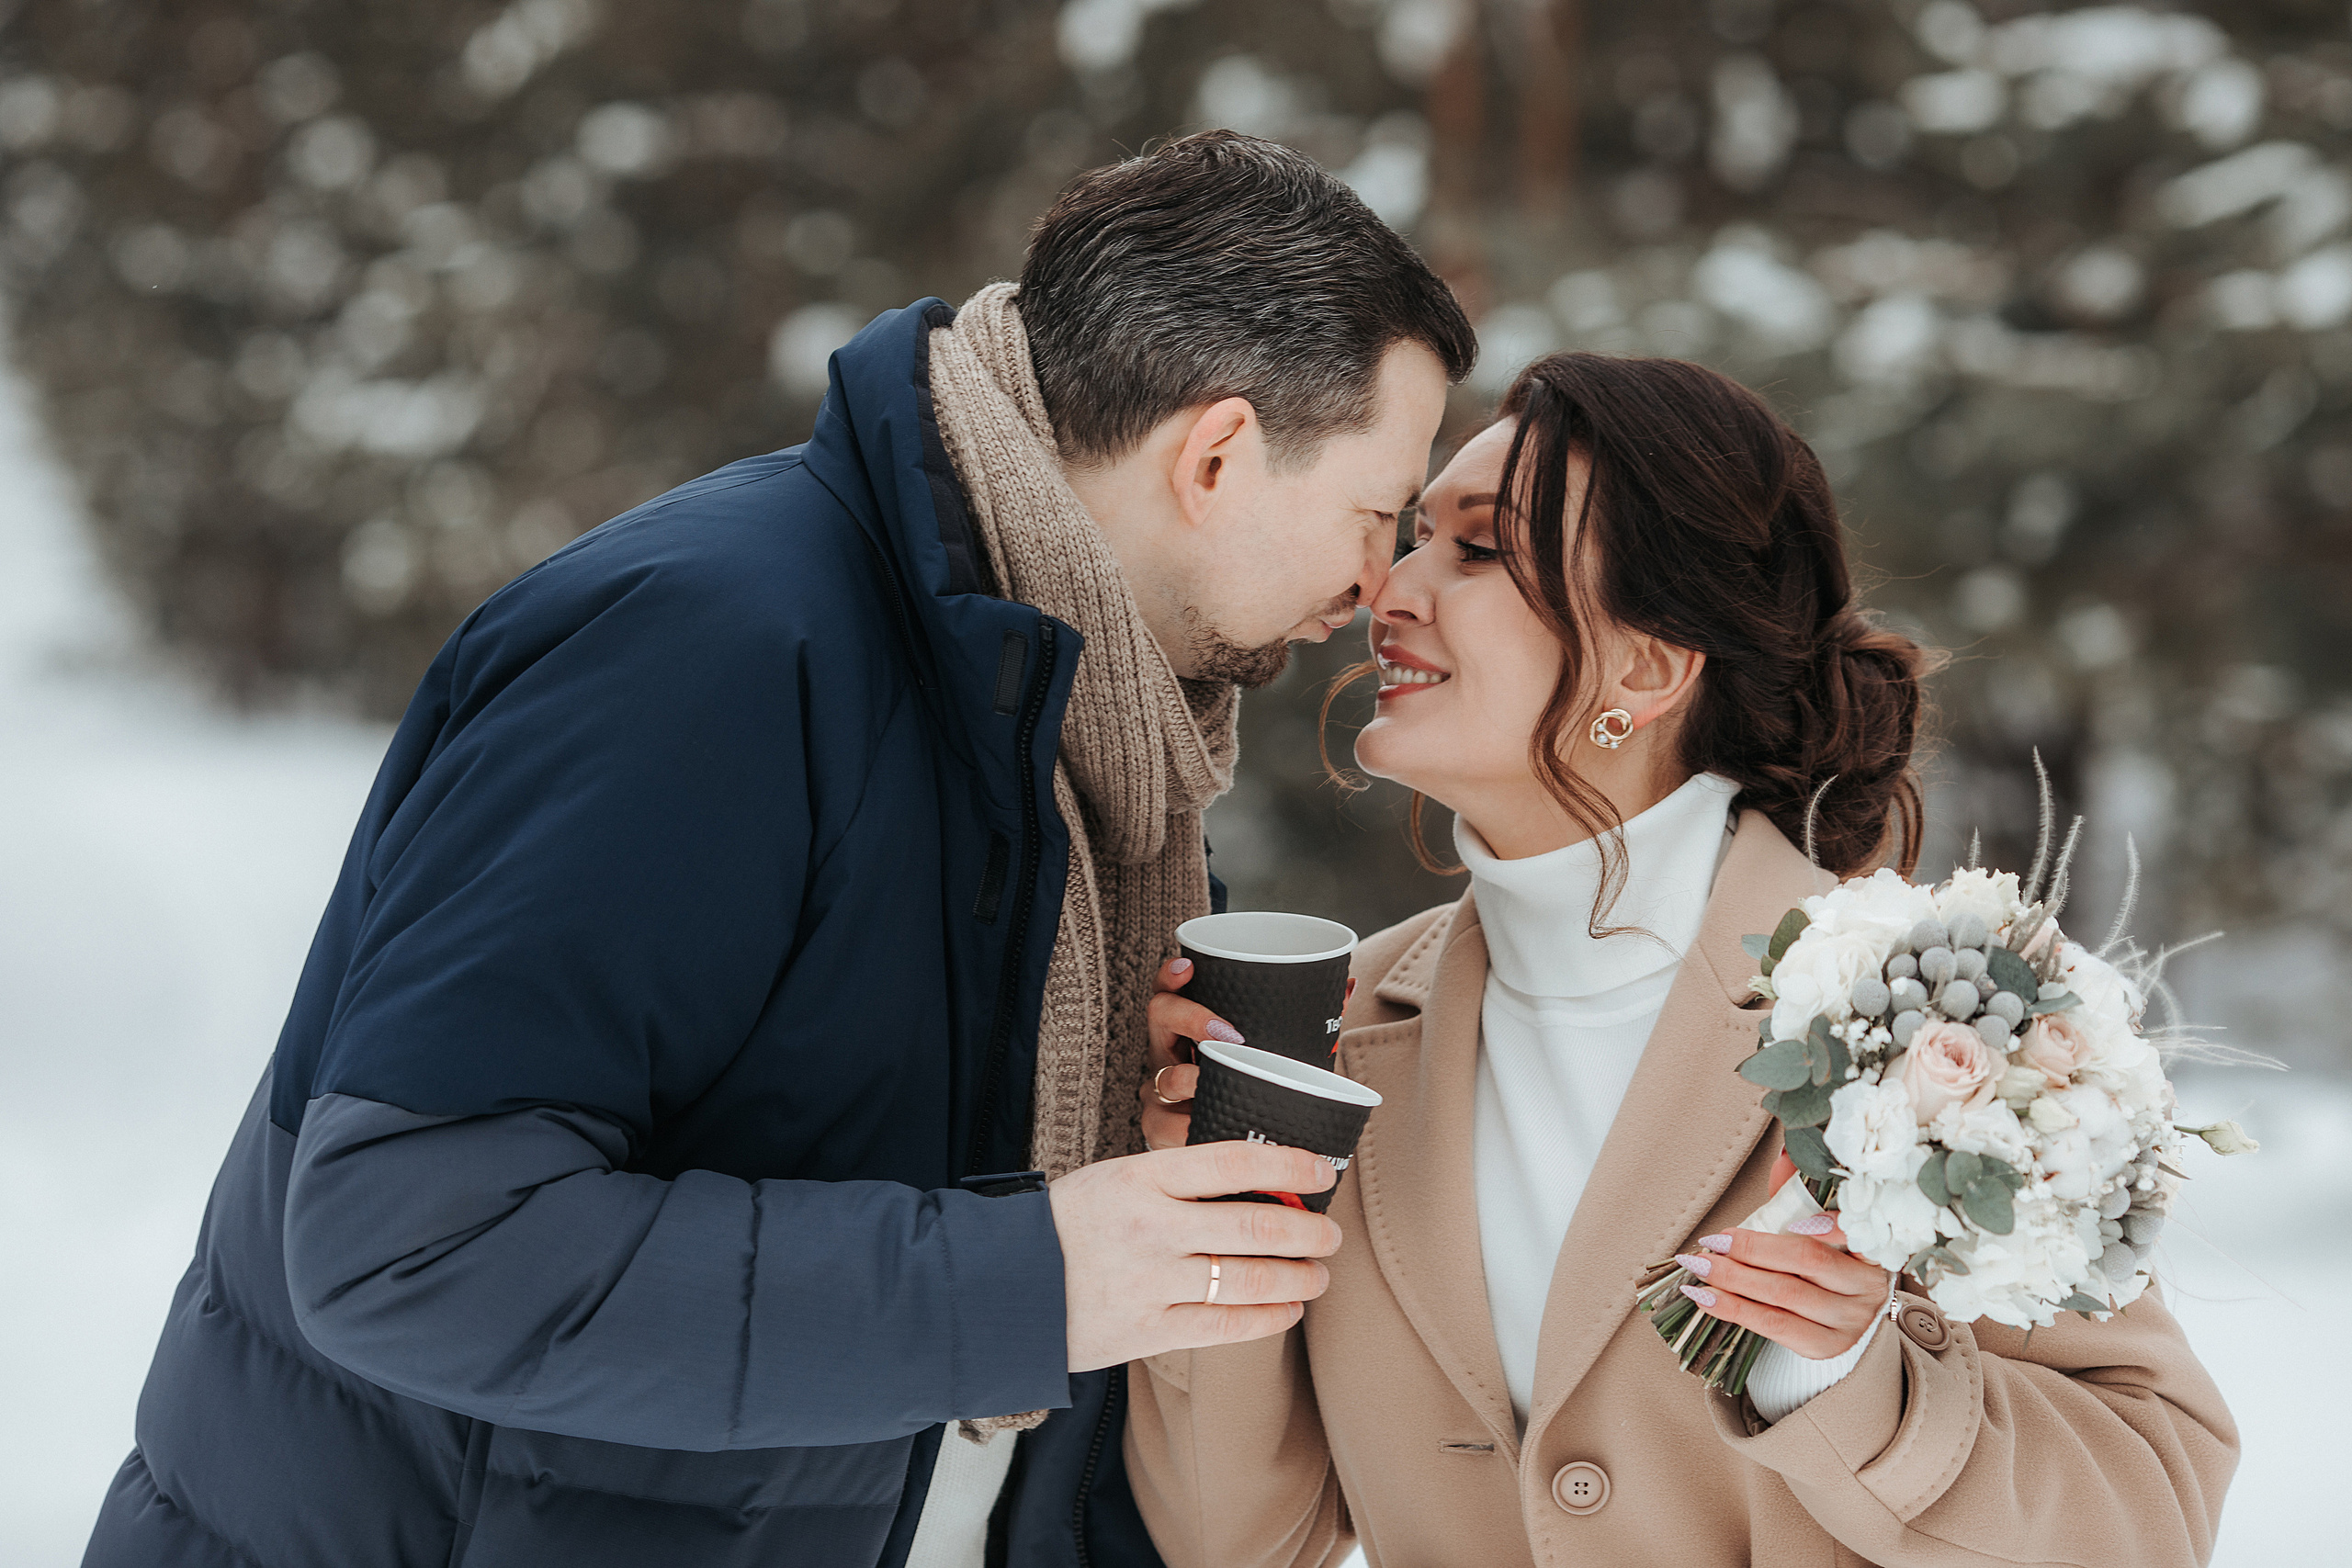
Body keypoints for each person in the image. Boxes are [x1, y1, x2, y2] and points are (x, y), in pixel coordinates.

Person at [82, 131, 1476, 1568]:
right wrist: (1040, 1275)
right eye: (1377, 515)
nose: (1376, 589)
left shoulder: (1095, 736)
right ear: (1219, 453)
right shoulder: (709, 655)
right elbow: (412, 1249)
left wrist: (1132, 1130)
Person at [1124, 353, 2238, 1567]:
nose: (1387, 587)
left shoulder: (1943, 1015)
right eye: (1409, 536)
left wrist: (1851, 1377)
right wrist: (1213, 1229)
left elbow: (2149, 1511)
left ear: (1646, 669)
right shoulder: (1335, 1036)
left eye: (1480, 549)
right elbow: (1233, 1543)